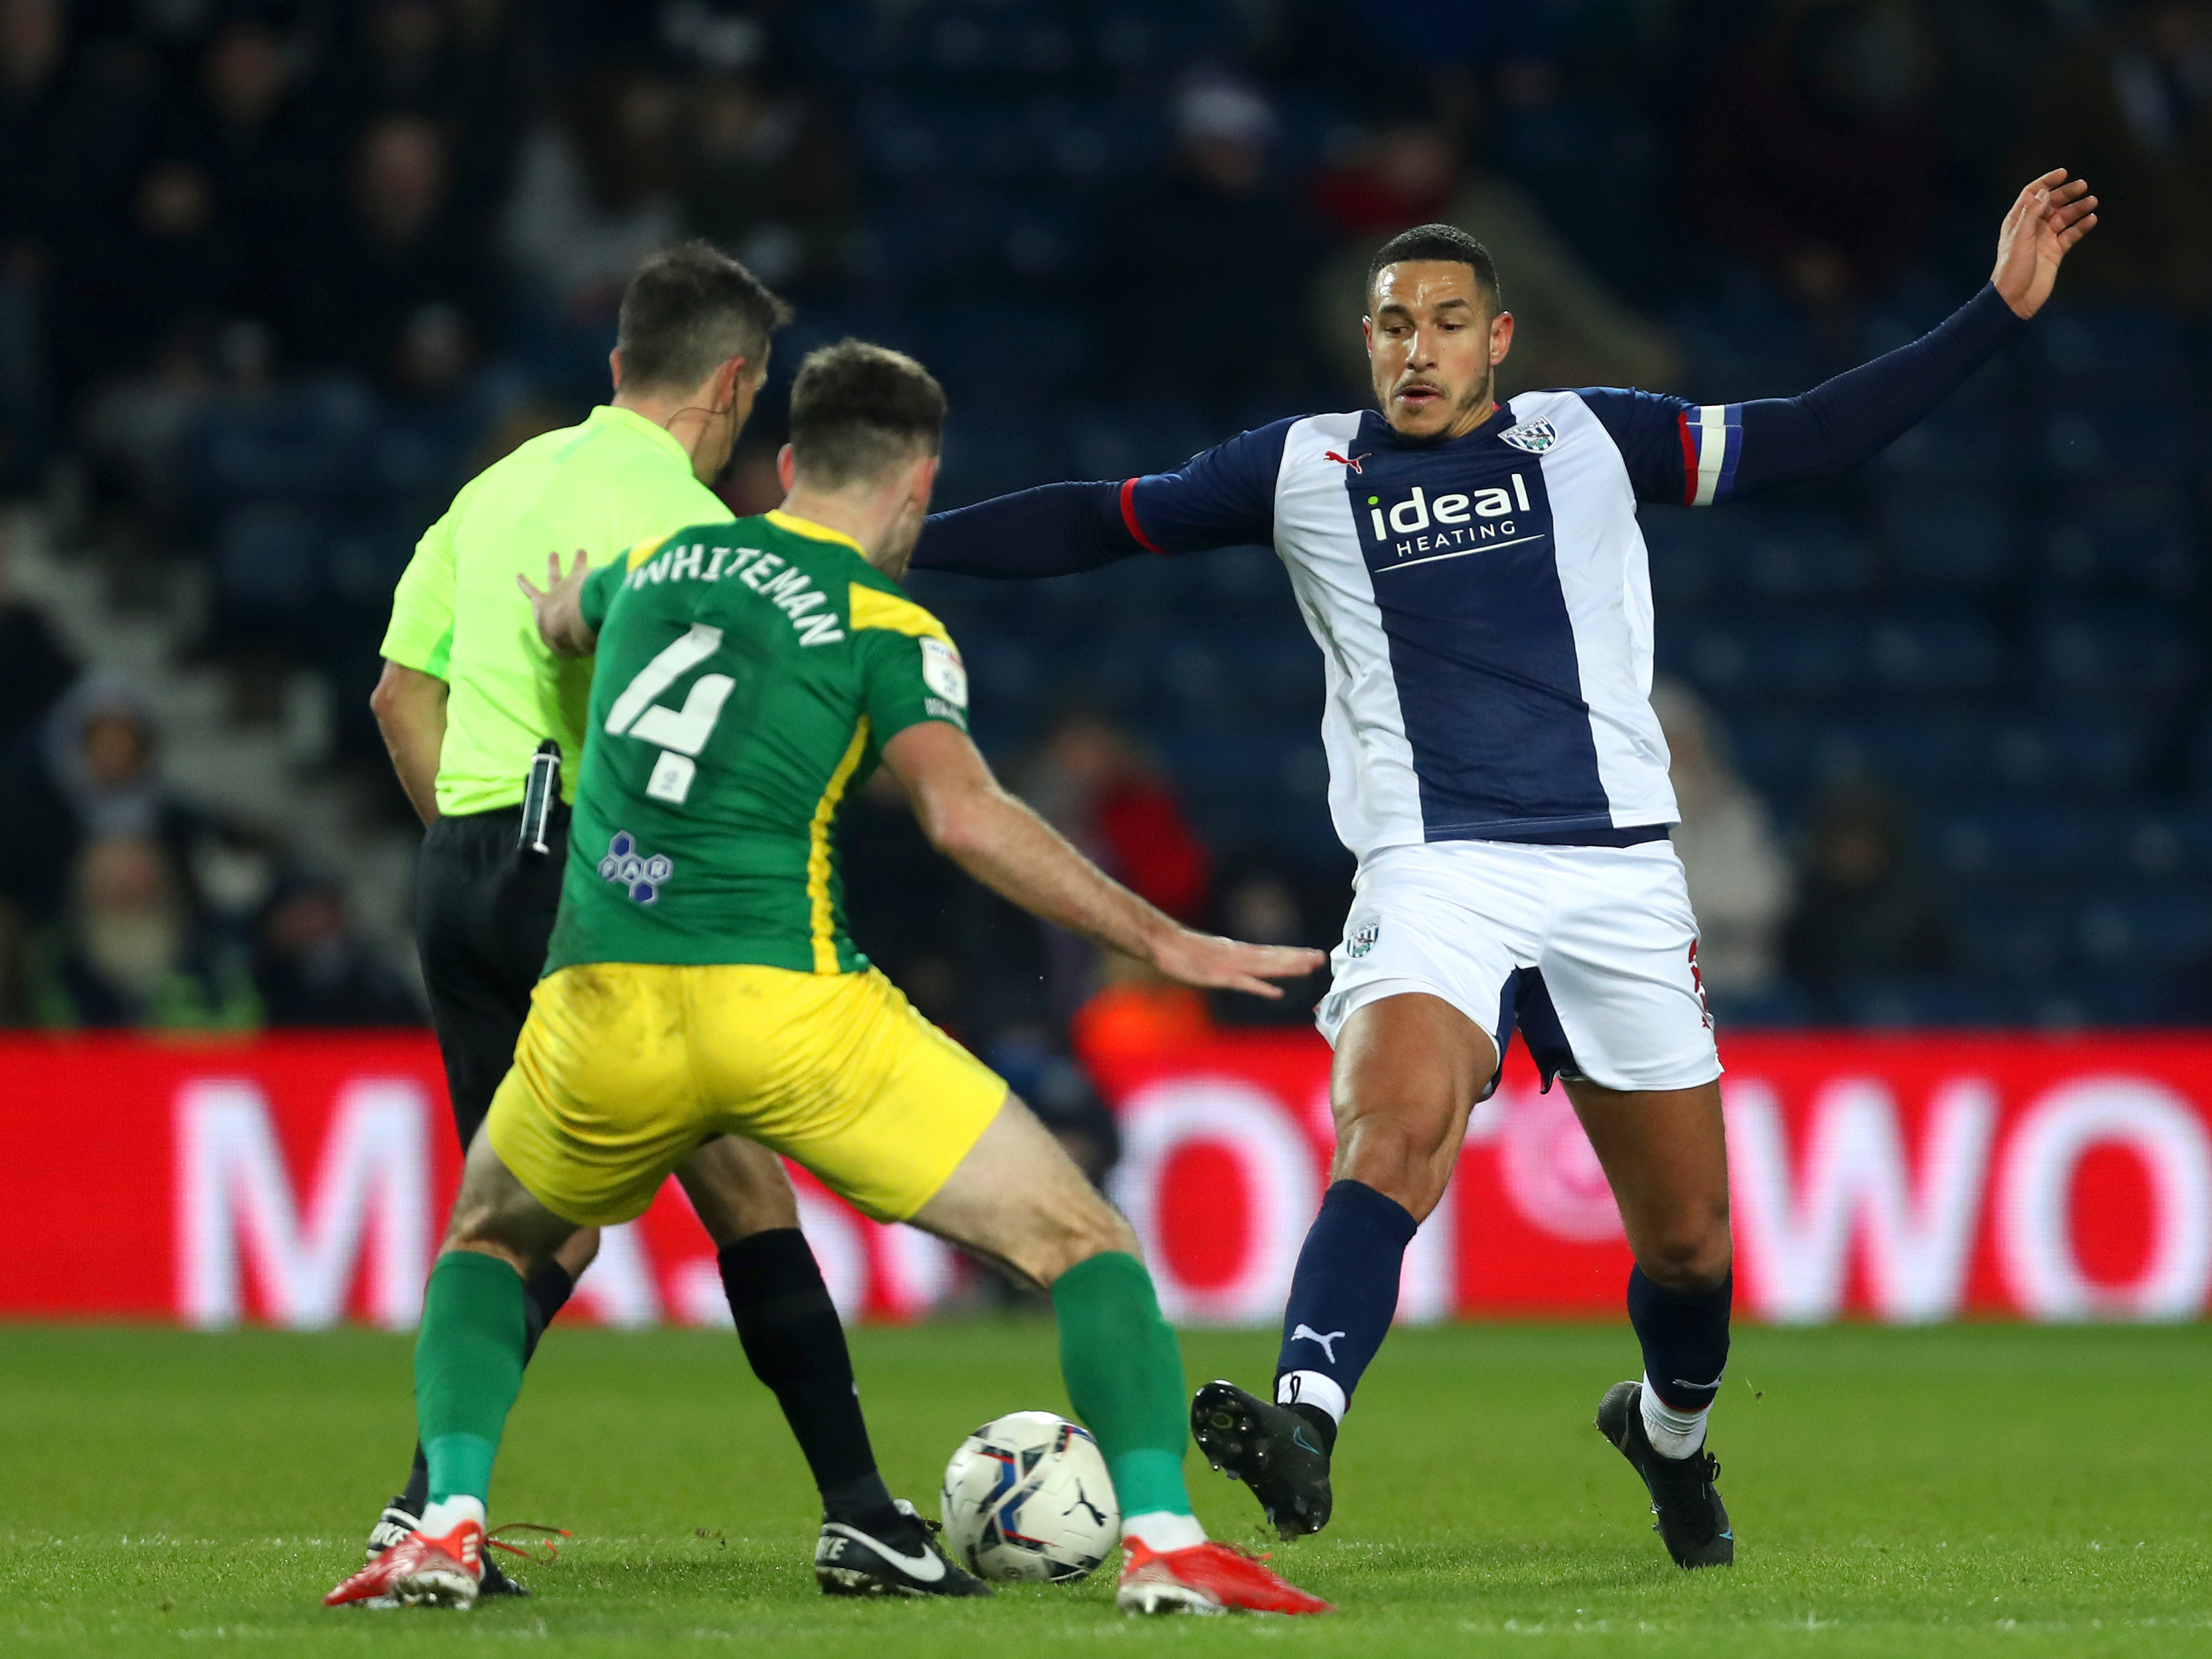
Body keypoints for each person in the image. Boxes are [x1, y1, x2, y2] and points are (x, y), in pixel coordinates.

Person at [912, 172, 2098, 1567]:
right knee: (1391, 1128)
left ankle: (1662, 1430)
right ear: (1363, 343)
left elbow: (1809, 437)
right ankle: (1303, 1417)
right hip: (1433, 868)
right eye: (1389, 323)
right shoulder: (1297, 467)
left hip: (1615, 876)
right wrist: (893, 541)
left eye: (1445, 321)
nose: (1414, 348)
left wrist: (1991, 312)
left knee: (1689, 1247)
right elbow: (1093, 522)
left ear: (1500, 339)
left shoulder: (1592, 437)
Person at [328, 340, 1332, 1617]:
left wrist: (566, 614)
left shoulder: (661, 568)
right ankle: (1165, 1543)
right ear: (917, 488)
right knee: (1082, 1243)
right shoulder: (886, 624)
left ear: (790, 464)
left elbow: (562, 616)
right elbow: (965, 820)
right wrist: (1163, 942)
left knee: (490, 1239)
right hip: (786, 1009)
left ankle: (443, 1523)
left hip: (601, 997)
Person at [367, 242, 923, 1595]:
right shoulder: (690, 529)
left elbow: (395, 695)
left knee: (523, 1221)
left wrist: (478, 835)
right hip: (599, 869)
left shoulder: (489, 490)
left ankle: (429, 1509)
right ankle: (858, 1509)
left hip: (460, 868)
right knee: (735, 1166)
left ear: (619, 366)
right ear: (733, 385)